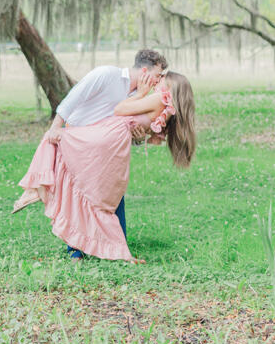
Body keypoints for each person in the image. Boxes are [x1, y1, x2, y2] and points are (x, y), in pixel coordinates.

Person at [12, 69, 196, 262]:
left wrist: (140, 94)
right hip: (114, 142)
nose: (156, 84)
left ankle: (38, 190)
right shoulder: (168, 110)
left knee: (60, 146)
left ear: (170, 87)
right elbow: (141, 126)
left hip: (108, 137)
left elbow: (120, 110)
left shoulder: (161, 99)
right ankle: (41, 194)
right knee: (89, 188)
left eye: (161, 80)